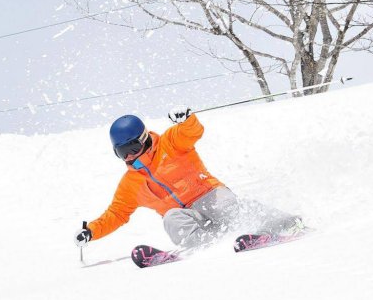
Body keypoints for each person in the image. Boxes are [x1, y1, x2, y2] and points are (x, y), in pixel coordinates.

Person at [74, 107, 302, 250]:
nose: (130, 156)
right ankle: (212, 246)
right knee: (171, 218)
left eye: (133, 147)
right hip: (189, 216)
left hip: (209, 195)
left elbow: (191, 132)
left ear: (144, 138)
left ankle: (285, 223)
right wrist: (91, 231)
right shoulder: (130, 183)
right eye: (123, 152)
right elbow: (116, 213)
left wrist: (187, 119)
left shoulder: (170, 142)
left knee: (226, 208)